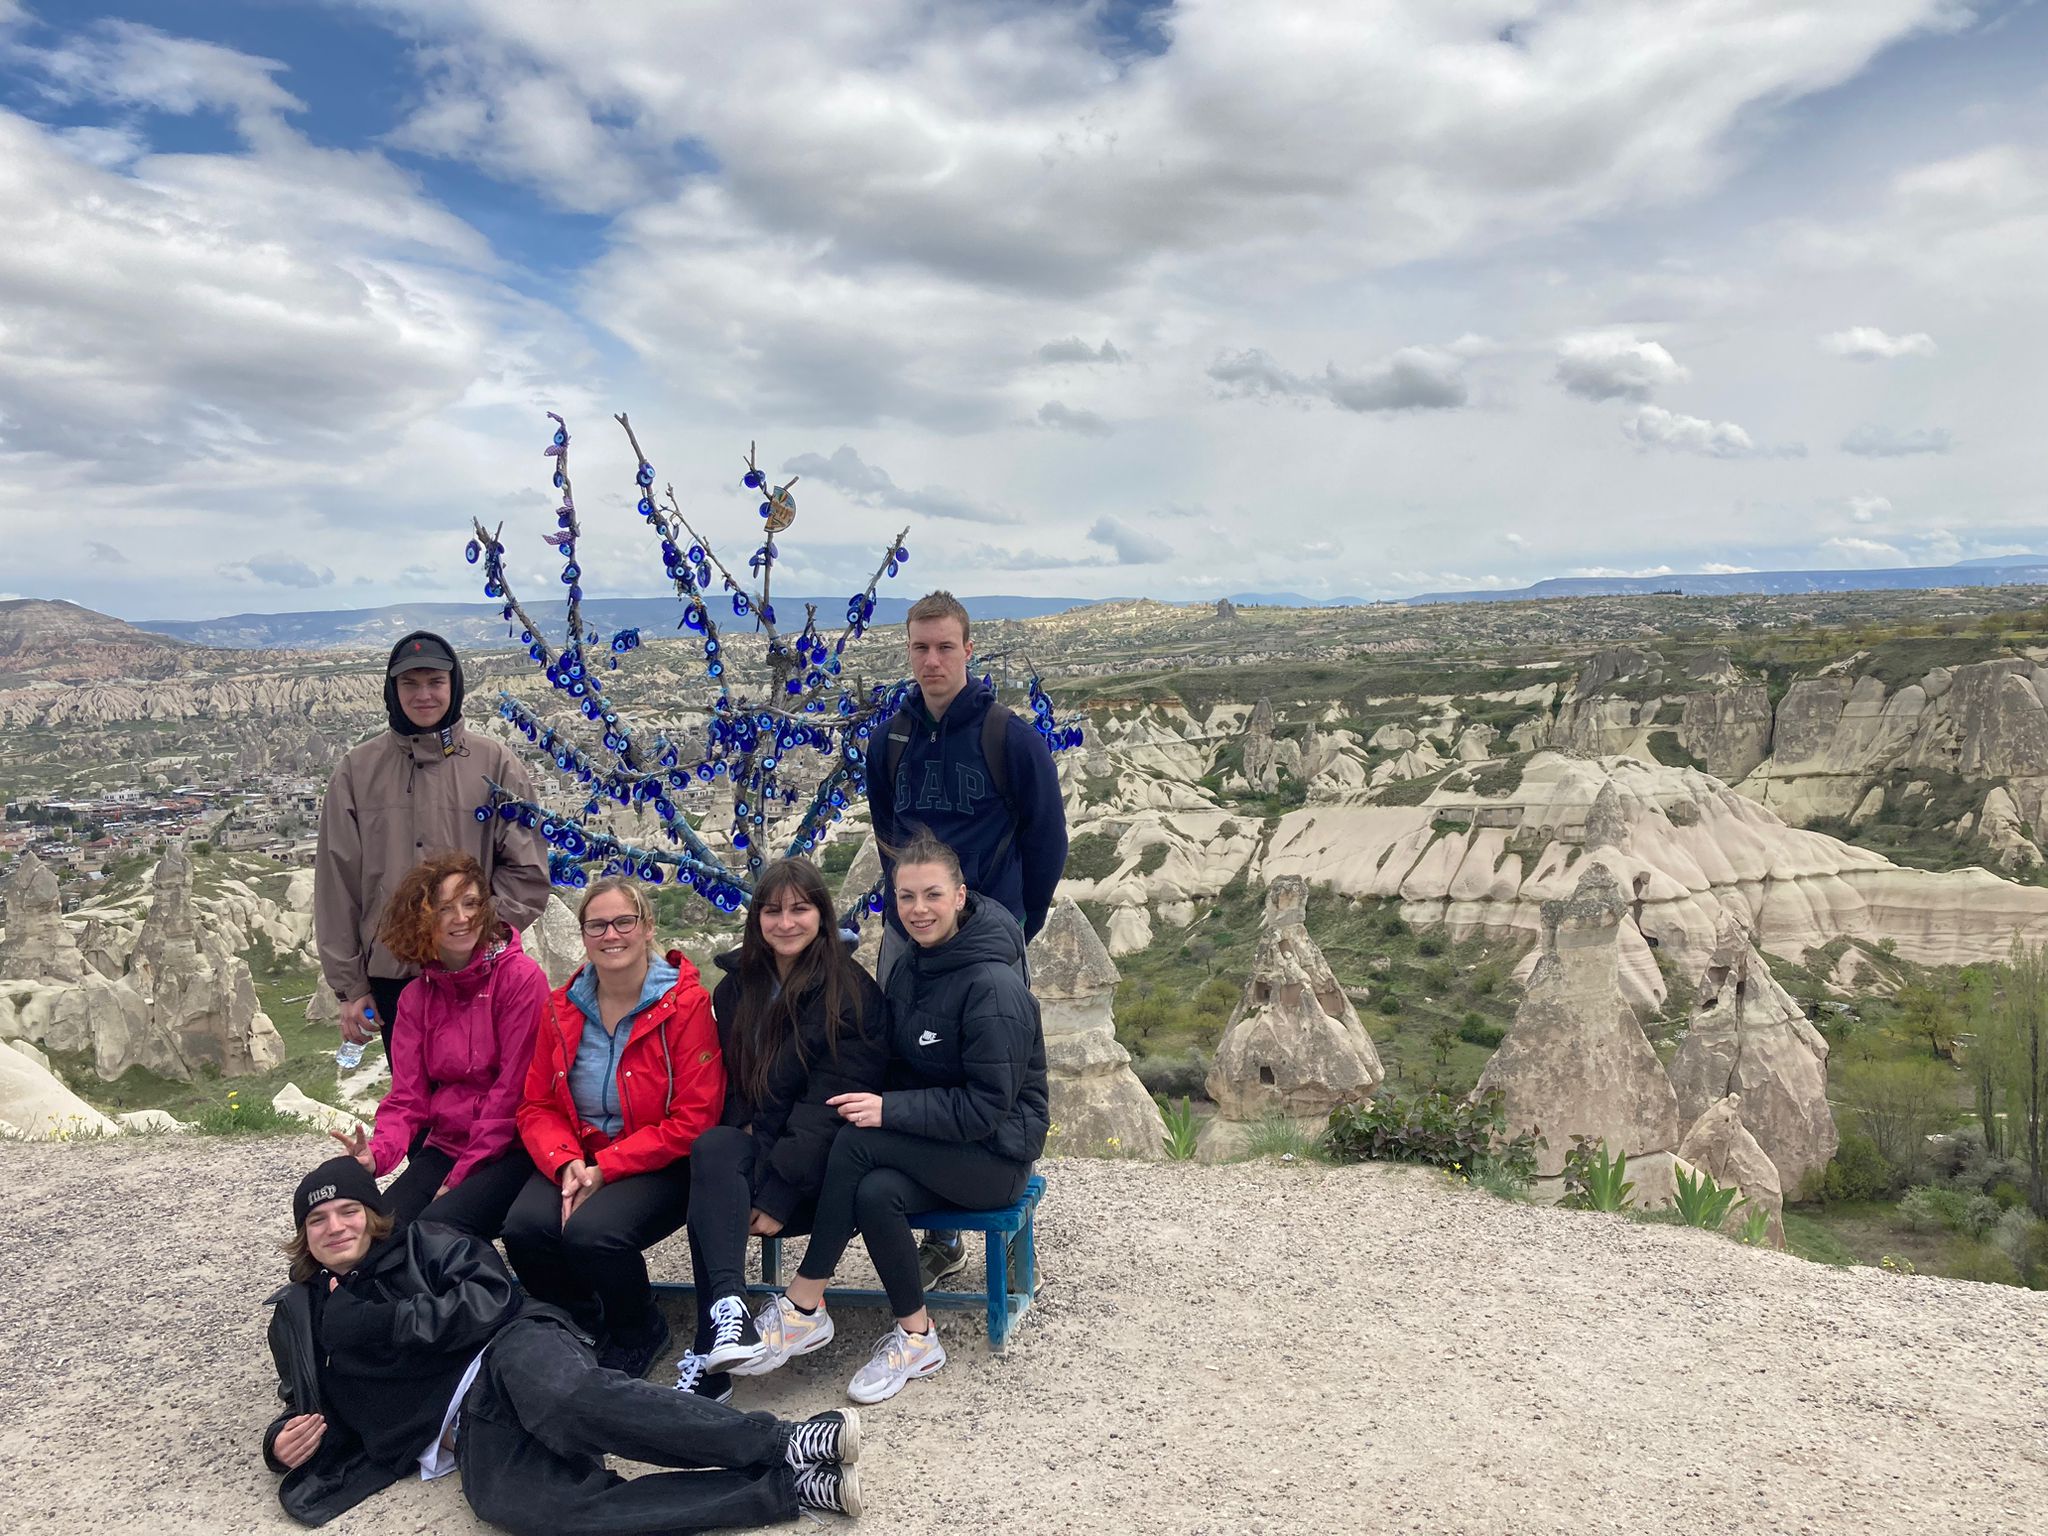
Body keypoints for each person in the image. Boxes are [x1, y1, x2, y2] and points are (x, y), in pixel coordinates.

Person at [260, 1156, 862, 1530]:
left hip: (509, 1348)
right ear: (302, 1236)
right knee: (524, 1507)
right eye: (317, 1220)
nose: (335, 1227)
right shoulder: (298, 1317)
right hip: (465, 1427)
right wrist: (280, 1444)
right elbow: (309, 1401)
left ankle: (784, 1441)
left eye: (348, 1211)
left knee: (568, 1402)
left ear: (373, 1215)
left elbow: (492, 1298)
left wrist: (387, 1323)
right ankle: (786, 1488)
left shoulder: (426, 1242)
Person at [739, 831, 1048, 1404]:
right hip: (937, 1145)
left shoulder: (993, 986)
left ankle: (804, 1303)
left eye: (932, 895)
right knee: (875, 1190)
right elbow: (896, 1063)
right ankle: (917, 1337)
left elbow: (988, 1108)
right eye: (906, 897)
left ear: (960, 896)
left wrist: (888, 1110)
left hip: (995, 1156)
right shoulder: (909, 969)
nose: (918, 909)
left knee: (859, 1142)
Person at [865, 590, 1067, 1288]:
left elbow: (1047, 840)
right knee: (912, 1067)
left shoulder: (1010, 738)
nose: (932, 660)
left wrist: (1017, 922)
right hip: (912, 935)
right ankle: (941, 1235)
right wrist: (906, 911)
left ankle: (1006, 1226)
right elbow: (886, 832)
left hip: (986, 939)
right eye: (920, 647)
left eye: (945, 646)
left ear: (968, 650)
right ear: (908, 650)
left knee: (995, 1076)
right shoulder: (890, 740)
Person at [675, 859, 888, 1402]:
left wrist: (776, 1193)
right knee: (713, 1153)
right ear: (757, 919)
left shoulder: (852, 994)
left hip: (821, 1181)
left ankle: (708, 1349)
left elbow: (829, 1109)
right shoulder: (735, 990)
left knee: (715, 1192)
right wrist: (745, 1162)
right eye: (772, 911)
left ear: (822, 914)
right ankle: (727, 1316)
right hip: (767, 1155)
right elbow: (735, 1093)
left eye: (799, 909)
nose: (786, 923)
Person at [505, 876, 723, 1380]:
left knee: (593, 1233)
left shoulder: (686, 1005)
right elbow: (537, 1104)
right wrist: (566, 1162)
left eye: (624, 922)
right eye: (597, 926)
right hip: (580, 1153)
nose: (611, 935)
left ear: (647, 928)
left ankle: (639, 1328)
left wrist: (607, 1168)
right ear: (583, 935)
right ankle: (581, 1319)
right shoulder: (561, 1008)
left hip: (662, 1159)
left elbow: (695, 1118)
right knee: (526, 1228)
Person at [316, 630, 549, 1060]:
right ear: (393, 690)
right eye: (410, 683)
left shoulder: (496, 764)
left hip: (477, 972)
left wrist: (476, 937)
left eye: (435, 682)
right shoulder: (356, 771)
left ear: (453, 685)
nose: (424, 695)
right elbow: (337, 885)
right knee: (412, 1093)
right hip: (393, 974)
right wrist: (350, 987)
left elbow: (527, 870)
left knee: (487, 1086)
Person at [327, 850, 548, 1237]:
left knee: (434, 1231)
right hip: (448, 1145)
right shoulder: (416, 998)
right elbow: (407, 1098)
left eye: (471, 903)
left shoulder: (520, 979)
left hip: (513, 1148)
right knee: (378, 1235)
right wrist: (376, 1155)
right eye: (445, 908)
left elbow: (511, 1095)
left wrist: (460, 1178)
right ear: (422, 919)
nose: (462, 918)